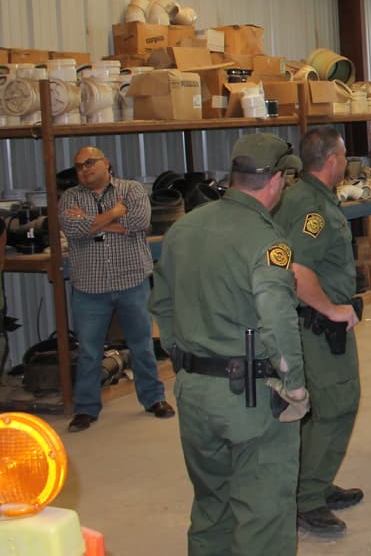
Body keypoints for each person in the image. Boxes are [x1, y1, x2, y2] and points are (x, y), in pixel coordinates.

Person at [151, 133, 311, 556]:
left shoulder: (183, 229)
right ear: (276, 180)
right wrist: (294, 386)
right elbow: (277, 317)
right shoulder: (266, 241)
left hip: (193, 392)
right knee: (264, 512)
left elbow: (162, 304)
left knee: (210, 507)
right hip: (250, 397)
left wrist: (186, 357)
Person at [274, 128, 362, 539]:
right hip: (318, 324)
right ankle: (307, 499)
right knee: (337, 403)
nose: (346, 162)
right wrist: (332, 309)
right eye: (343, 156)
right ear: (332, 160)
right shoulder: (311, 208)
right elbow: (295, 269)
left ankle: (316, 482)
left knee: (318, 408)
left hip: (314, 322)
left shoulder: (307, 197)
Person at [59, 146, 173, 432]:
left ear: (106, 163)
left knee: (142, 344)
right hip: (89, 286)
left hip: (131, 281)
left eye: (89, 163)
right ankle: (86, 409)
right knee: (88, 351)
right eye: (78, 166)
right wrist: (114, 215)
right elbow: (72, 230)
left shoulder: (131, 190)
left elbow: (138, 223)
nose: (84, 170)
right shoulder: (70, 197)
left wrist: (92, 224)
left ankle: (153, 399)